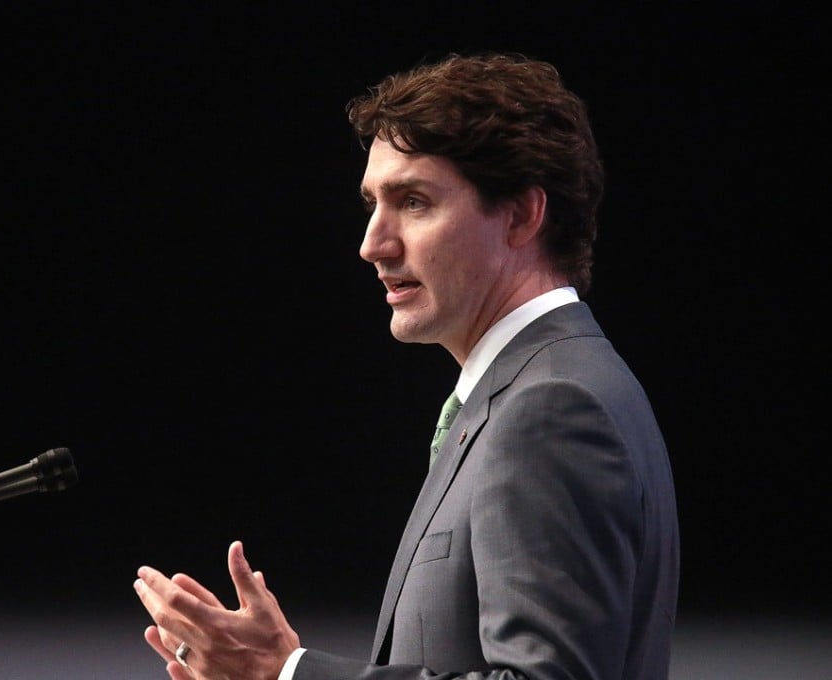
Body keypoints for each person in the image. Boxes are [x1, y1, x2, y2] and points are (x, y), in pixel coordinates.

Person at [133, 51, 680, 680]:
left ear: (524, 215)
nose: (372, 243)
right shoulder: (546, 386)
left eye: (414, 201)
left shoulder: (552, 408)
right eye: (372, 203)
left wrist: (288, 672)